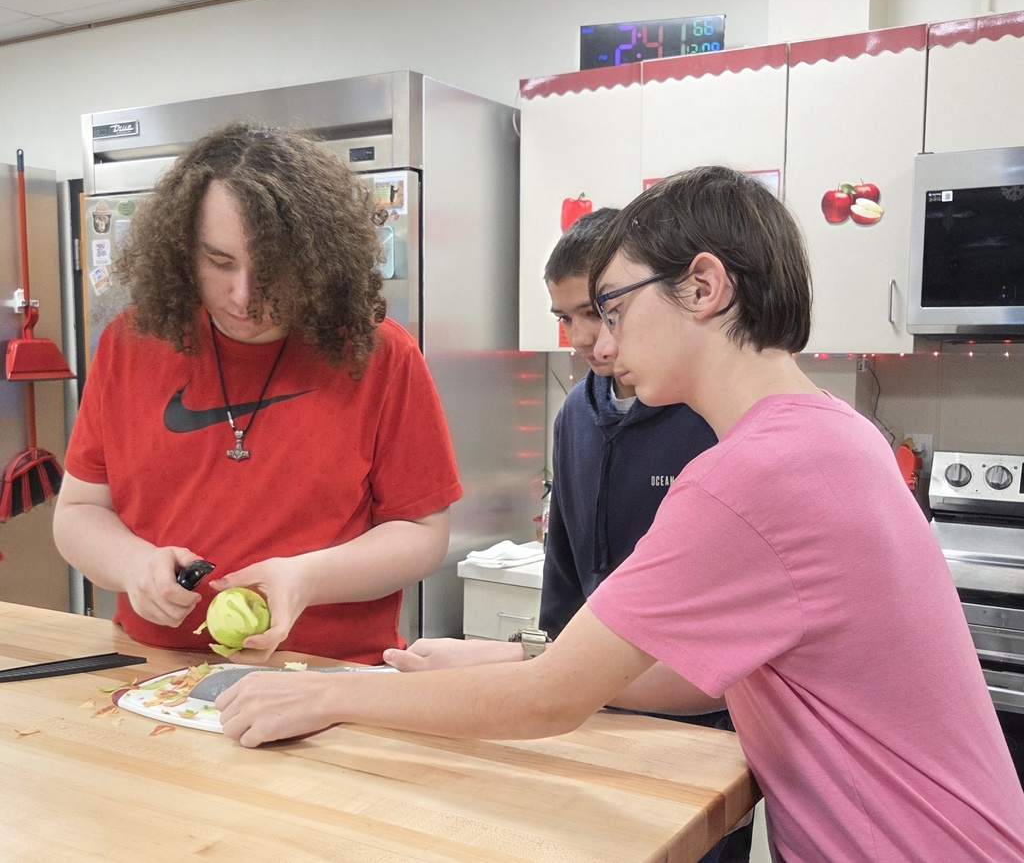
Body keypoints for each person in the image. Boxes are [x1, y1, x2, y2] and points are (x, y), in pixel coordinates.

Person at [217, 167, 1024, 861]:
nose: (599, 346)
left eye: (613, 308)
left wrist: (326, 696)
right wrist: (506, 661)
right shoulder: (838, 435)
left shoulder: (748, 475)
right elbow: (688, 672)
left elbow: (550, 704)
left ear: (704, 287)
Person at [386, 209, 748, 862]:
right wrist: (546, 663)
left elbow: (721, 650)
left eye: (599, 313)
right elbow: (566, 573)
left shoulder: (709, 418)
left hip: (699, 730)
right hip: (590, 706)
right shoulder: (574, 415)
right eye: (567, 319)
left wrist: (536, 670)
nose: (586, 338)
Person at [53, 122, 462, 665]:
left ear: (319, 259)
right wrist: (133, 564)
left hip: (328, 676)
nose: (243, 297)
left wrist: (308, 578)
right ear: (182, 252)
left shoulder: (380, 355)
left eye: (273, 271)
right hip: (153, 668)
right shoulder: (130, 343)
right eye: (220, 263)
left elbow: (421, 533)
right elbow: (79, 511)